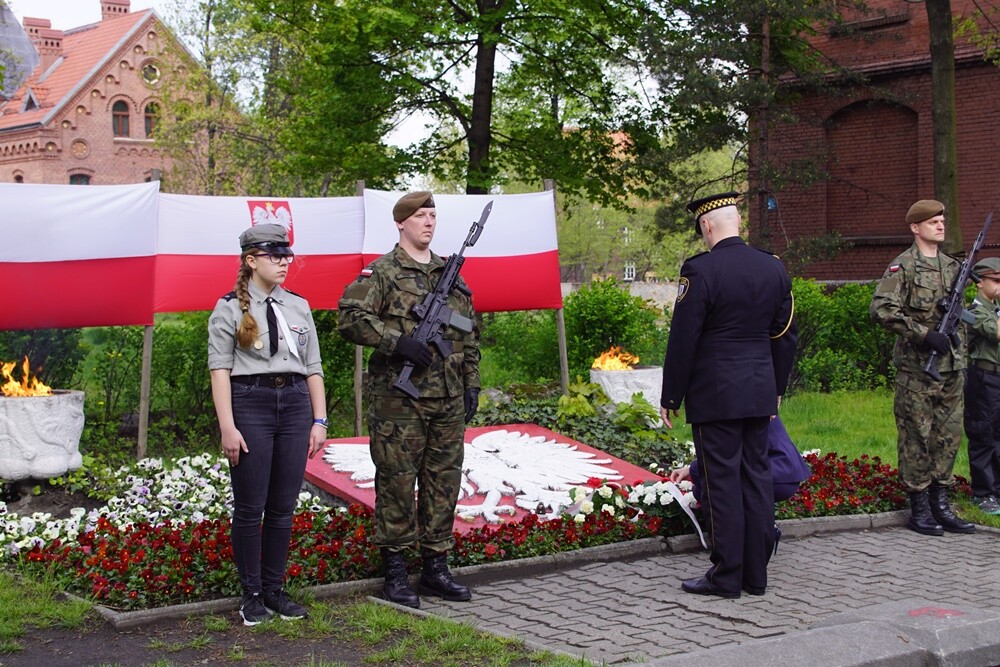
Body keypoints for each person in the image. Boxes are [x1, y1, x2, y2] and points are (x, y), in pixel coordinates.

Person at [337, 191, 481, 609]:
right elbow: (349, 318)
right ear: (401, 223)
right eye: (420, 215)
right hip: (399, 400)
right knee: (397, 481)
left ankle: (436, 566)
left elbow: (468, 333)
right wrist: (398, 343)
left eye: (433, 215)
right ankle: (395, 571)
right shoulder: (381, 272)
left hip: (448, 397)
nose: (429, 222)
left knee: (444, 480)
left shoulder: (449, 275)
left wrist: (472, 382)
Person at [660, 191, 797, 599]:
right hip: (758, 390)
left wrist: (671, 396)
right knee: (755, 478)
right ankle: (756, 575)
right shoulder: (773, 268)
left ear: (707, 225)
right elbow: (784, 335)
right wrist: (776, 388)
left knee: (721, 482)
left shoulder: (700, 270)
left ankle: (726, 575)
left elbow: (684, 338)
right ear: (738, 222)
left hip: (716, 392)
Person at [208, 223, 328, 626]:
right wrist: (228, 426)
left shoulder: (298, 305)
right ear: (251, 259)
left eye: (286, 255)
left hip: (294, 404)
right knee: (250, 506)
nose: (283, 262)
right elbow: (220, 369)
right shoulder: (229, 307)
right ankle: (252, 595)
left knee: (283, 507)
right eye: (274, 255)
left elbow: (313, 367)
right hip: (251, 402)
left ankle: (275, 590)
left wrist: (320, 419)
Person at [870, 199, 975, 536]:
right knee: (917, 436)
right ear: (916, 228)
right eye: (933, 222)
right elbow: (882, 309)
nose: (941, 225)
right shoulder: (904, 266)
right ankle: (919, 508)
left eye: (942, 220)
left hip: (952, 369)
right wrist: (925, 335)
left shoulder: (954, 267)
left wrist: (956, 338)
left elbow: (961, 314)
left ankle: (941, 504)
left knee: (948, 436)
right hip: (918, 370)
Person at [670, 416, 810, 506]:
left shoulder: (732, 403)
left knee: (703, 481)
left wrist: (693, 469)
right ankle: (760, 529)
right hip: (786, 471)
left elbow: (724, 455)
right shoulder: (757, 388)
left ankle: (731, 538)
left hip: (771, 475)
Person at [962, 257, 1000, 515]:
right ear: (979, 283)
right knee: (983, 435)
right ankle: (983, 493)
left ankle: (996, 489)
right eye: (996, 281)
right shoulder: (973, 311)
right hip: (983, 379)